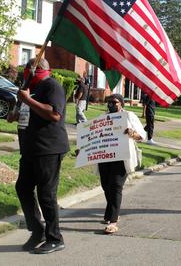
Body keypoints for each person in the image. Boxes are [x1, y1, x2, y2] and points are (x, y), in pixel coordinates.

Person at [13, 58, 70, 254]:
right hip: (30, 148)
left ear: (46, 70)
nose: (30, 72)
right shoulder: (30, 88)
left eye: (34, 69)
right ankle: (38, 231)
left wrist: (27, 99)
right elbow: (22, 112)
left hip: (49, 148)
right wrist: (18, 107)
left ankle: (55, 238)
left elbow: (54, 114)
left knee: (46, 194)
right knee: (23, 187)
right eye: (29, 69)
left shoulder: (52, 86)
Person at [77, 94, 146, 234]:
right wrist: (82, 149)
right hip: (105, 157)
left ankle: (113, 221)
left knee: (116, 186)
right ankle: (111, 212)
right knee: (106, 185)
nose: (110, 105)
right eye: (108, 102)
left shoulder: (128, 116)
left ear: (121, 104)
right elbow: (93, 137)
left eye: (114, 102)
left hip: (121, 158)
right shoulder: (103, 117)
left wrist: (132, 134)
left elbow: (142, 136)